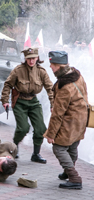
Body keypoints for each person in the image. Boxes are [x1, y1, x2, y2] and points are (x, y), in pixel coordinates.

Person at [0, 47, 54, 163]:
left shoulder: (41, 71)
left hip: (34, 102)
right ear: (25, 58)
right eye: (29, 59)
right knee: (23, 128)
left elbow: (50, 88)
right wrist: (5, 100)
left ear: (37, 58)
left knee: (41, 129)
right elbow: (8, 84)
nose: (31, 61)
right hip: (20, 101)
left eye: (33, 58)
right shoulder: (18, 70)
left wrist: (53, 104)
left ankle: (36, 154)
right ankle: (14, 148)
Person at [44, 51, 88, 190]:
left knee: (59, 147)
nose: (50, 67)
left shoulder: (64, 86)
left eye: (52, 65)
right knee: (73, 145)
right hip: (81, 118)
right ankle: (67, 172)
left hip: (70, 121)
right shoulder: (77, 74)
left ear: (59, 66)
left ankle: (74, 177)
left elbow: (57, 114)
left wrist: (50, 134)